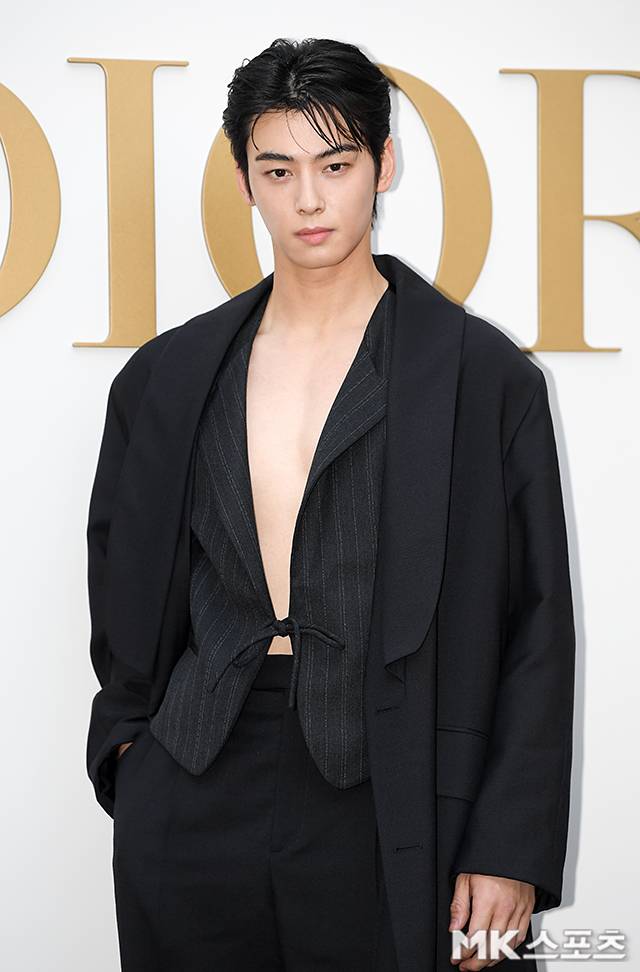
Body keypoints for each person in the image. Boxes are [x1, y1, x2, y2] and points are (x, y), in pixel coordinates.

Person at [85, 37, 576, 972]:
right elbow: (121, 579)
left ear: (383, 164)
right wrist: (129, 752)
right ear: (246, 181)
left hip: (392, 780)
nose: (308, 199)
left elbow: (537, 623)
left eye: (335, 165)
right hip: (194, 779)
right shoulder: (167, 376)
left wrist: (508, 845)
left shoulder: (482, 379)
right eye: (279, 170)